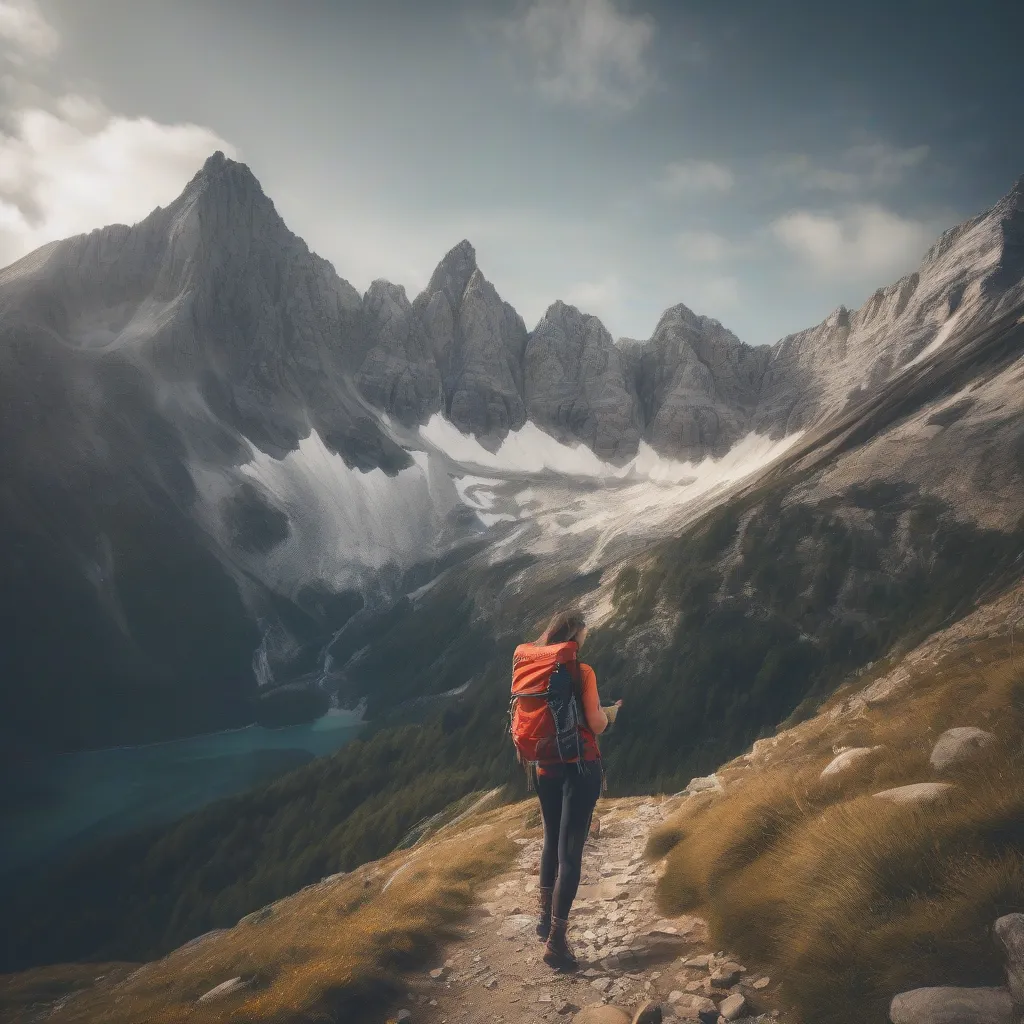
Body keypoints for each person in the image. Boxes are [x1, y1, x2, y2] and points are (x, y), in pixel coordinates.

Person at [516, 609, 622, 971]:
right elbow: (594, 722)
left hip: (544, 765)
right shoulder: (582, 671)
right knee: (571, 853)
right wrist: (608, 716)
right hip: (581, 766)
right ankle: (557, 942)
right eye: (584, 634)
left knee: (549, 840)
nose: (585, 639)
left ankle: (543, 920)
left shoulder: (531, 666)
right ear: (574, 634)